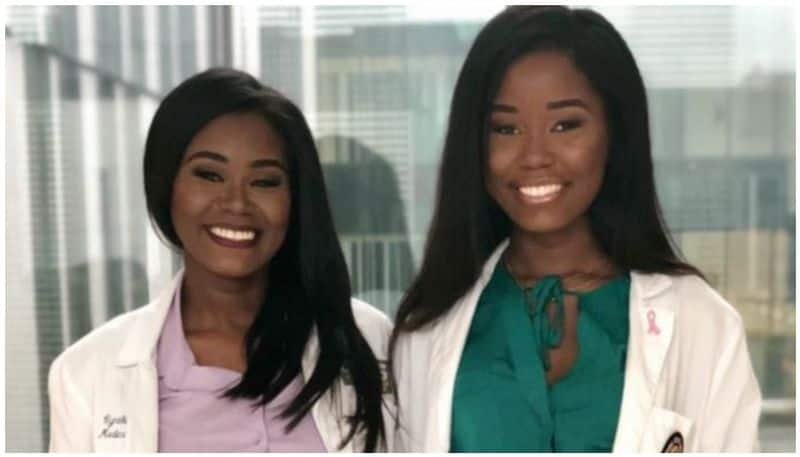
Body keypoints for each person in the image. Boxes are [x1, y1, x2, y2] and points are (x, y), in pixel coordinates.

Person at [389, 5, 761, 453]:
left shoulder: (701, 323)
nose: (534, 156)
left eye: (565, 124)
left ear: (614, 134)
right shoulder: (426, 331)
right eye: (505, 129)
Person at [48, 68, 394, 452]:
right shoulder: (85, 373)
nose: (236, 204)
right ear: (167, 184)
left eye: (264, 182)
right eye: (209, 175)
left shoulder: (369, 340)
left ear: (295, 200)